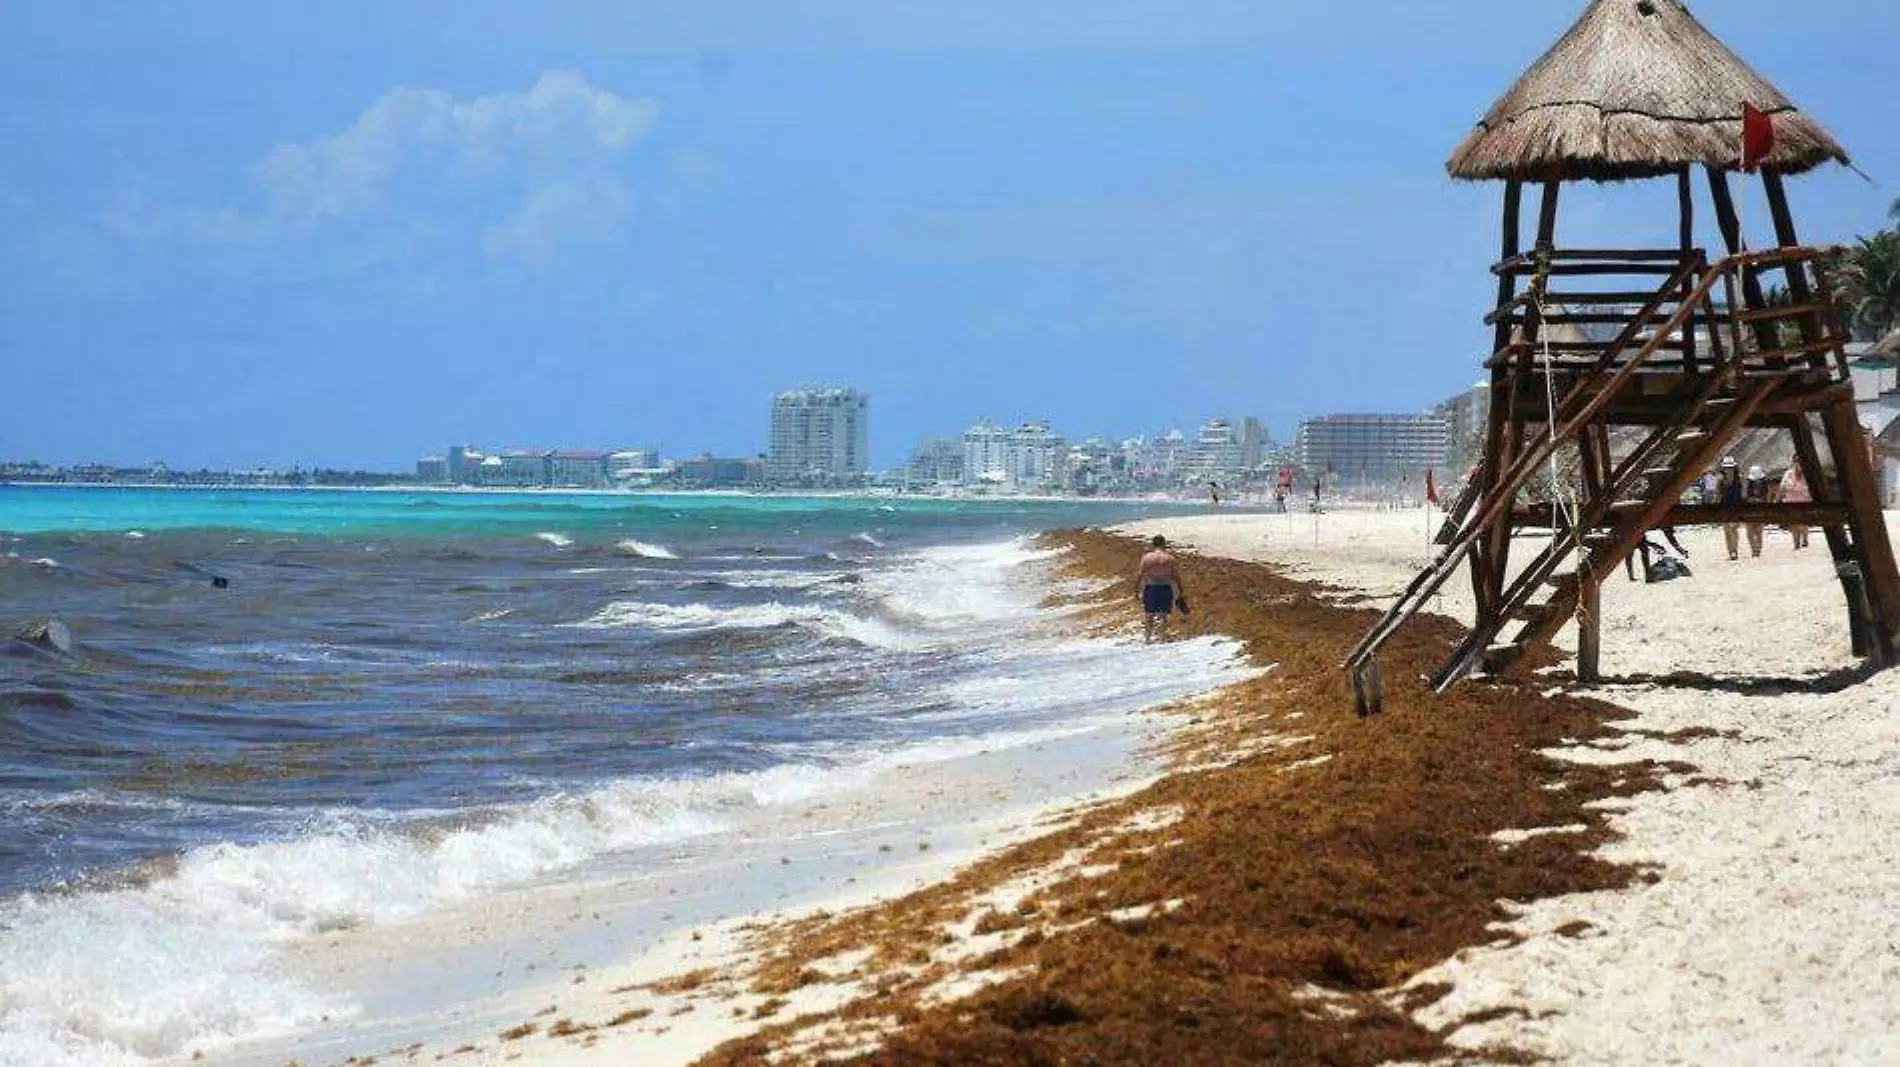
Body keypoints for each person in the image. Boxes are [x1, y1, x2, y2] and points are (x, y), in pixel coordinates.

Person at [1136, 535, 1185, 643]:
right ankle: (1162, 638)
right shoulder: (1169, 558)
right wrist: (1181, 590)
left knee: (1149, 615)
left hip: (1150, 587)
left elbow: (1140, 575)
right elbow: (1176, 577)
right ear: (1164, 544)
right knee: (1163, 615)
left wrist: (1136, 590)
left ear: (1153, 544)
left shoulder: (1147, 558)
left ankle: (1147, 639)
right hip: (1165, 587)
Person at [1716, 456, 1746, 560]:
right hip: (1724, 506)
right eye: (1727, 468)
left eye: (1730, 467)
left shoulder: (1739, 479)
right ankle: (1731, 552)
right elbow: (1718, 495)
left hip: (1736, 506)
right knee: (1727, 530)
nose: (1728, 470)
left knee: (1734, 528)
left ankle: (1735, 550)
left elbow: (1743, 494)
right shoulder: (1720, 480)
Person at [1778, 463, 1812, 550]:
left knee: (1803, 522)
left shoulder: (1807, 473)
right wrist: (1780, 497)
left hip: (1804, 501)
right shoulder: (1788, 473)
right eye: (1796, 461)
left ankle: (1804, 538)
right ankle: (1796, 542)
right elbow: (1782, 486)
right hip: (1791, 501)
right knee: (1793, 523)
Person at [1744, 464, 1772, 557]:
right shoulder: (1747, 485)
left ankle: (1758, 549)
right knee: (1750, 532)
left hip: (1760, 508)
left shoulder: (1765, 485)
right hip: (1749, 508)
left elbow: (1767, 497)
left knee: (1758, 531)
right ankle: (1754, 549)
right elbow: (1744, 497)